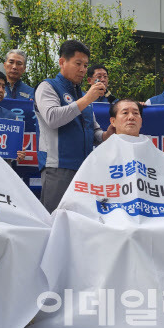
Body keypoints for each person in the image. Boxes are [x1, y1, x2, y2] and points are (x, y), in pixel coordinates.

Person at [34, 39, 114, 212]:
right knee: (53, 221)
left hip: (84, 169)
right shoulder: (47, 87)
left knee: (80, 222)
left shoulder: (84, 96)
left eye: (85, 65)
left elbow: (94, 132)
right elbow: (52, 118)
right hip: (57, 167)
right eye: (78, 63)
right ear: (62, 62)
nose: (83, 70)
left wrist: (107, 135)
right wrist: (86, 100)